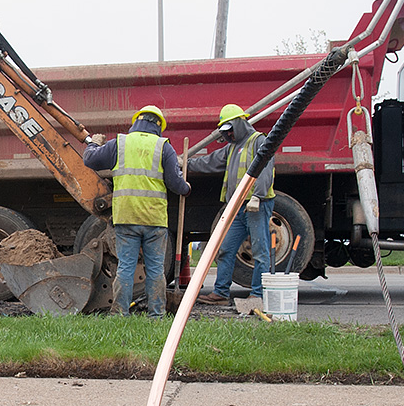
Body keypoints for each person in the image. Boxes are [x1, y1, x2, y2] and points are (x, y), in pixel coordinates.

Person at [83, 105, 190, 316]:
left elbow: (90, 160)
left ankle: (119, 313)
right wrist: (186, 187)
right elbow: (176, 185)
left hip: (126, 217)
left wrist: (94, 143)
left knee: (125, 267)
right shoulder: (163, 147)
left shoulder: (120, 144)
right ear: (159, 126)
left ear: (137, 122)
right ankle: (156, 315)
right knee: (155, 269)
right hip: (154, 219)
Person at [192, 103, 276, 305]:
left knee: (260, 251)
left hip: (256, 205)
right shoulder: (232, 148)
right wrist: (182, 162)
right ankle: (221, 292)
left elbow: (266, 167)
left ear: (239, 124)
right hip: (237, 208)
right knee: (226, 249)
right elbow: (209, 162)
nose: (227, 135)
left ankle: (258, 294)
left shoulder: (259, 141)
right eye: (225, 132)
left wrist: (258, 195)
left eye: (229, 130)